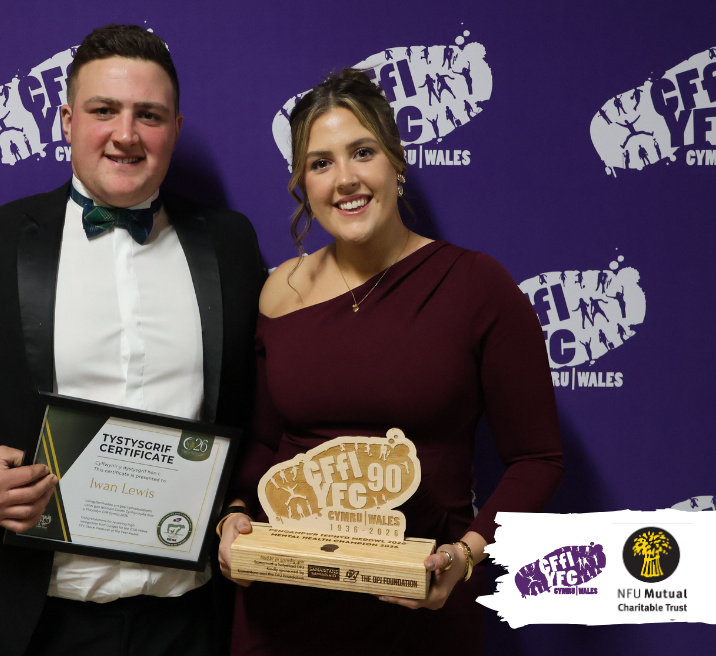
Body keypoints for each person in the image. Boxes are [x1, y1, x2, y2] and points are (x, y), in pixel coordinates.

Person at [0, 24, 264, 656]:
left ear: (174, 128)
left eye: (149, 115)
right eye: (103, 110)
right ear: (65, 121)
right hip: (32, 621)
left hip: (190, 618)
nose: (125, 134)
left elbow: (254, 407)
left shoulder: (230, 243)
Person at [217, 69, 563, 655]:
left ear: (396, 162)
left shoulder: (476, 284)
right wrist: (233, 513)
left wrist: (466, 556)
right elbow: (264, 443)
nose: (345, 179)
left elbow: (537, 459)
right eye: (321, 163)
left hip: (418, 602)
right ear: (302, 183)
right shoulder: (280, 290)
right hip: (283, 608)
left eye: (362, 152)